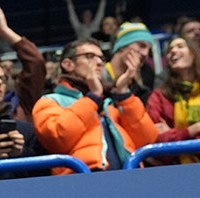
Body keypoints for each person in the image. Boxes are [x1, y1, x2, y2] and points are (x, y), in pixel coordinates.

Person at [33, 38, 158, 173]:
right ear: (68, 64)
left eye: (101, 59)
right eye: (89, 57)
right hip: (80, 184)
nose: (99, 62)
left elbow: (147, 141)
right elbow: (56, 138)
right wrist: (92, 98)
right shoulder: (50, 101)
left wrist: (124, 94)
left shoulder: (111, 103)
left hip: (127, 180)